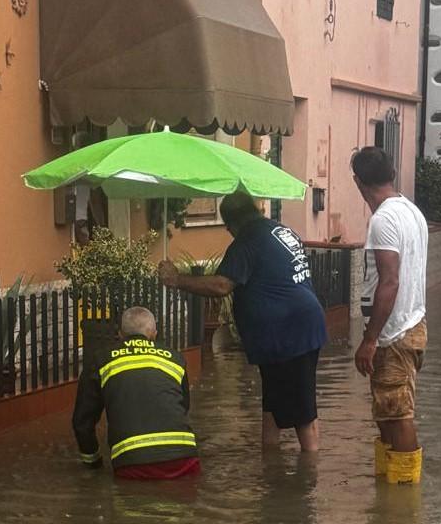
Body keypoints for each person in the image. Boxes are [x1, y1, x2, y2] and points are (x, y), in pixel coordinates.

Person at [158, 191, 327, 452]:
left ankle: (309, 471)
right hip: (293, 330)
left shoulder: (247, 240)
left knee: (303, 413)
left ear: (231, 224)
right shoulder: (280, 231)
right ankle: (271, 464)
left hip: (289, 334)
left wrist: (176, 279)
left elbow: (221, 285)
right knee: (272, 404)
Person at [351, 146, 429, 484]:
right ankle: (388, 491)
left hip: (394, 333)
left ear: (358, 182)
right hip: (411, 325)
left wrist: (370, 339)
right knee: (387, 411)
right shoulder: (411, 211)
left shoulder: (383, 219)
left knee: (398, 415)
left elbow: (389, 281)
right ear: (392, 174)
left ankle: (403, 497)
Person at [72, 306, 200, 480]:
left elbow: (82, 423)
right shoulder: (176, 359)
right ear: (154, 334)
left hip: (132, 463)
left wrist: (93, 464)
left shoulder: (101, 360)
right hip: (184, 458)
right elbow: (183, 407)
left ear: (120, 335)